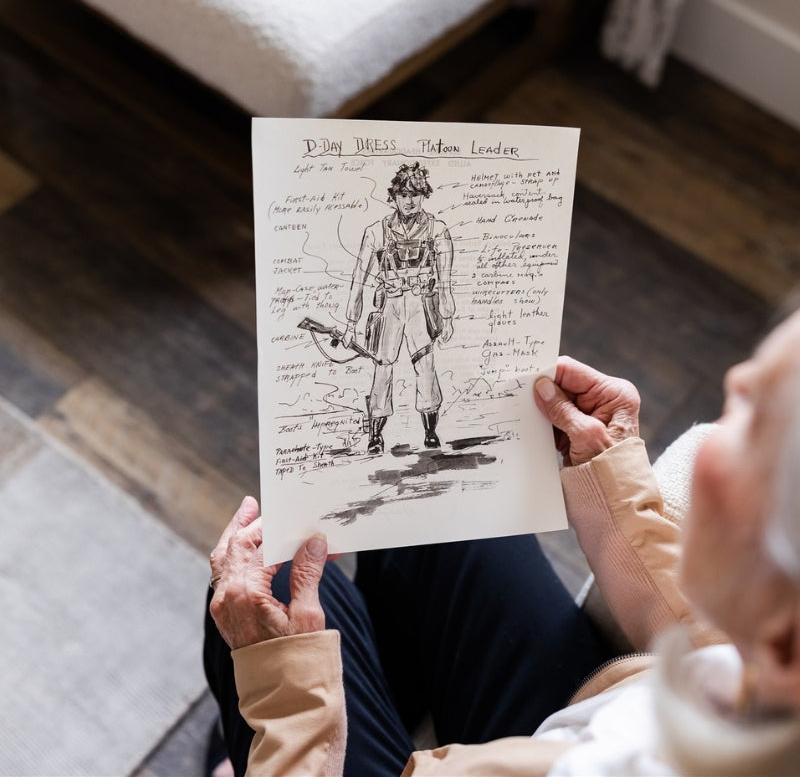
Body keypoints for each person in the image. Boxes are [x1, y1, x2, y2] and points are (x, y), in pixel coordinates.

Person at [204, 306, 800, 776]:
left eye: (757, 425)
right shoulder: (769, 679)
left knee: (273, 591)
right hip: (584, 725)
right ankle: (386, 702)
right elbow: (712, 642)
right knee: (441, 504)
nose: (736, 379)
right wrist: (610, 481)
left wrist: (291, 714)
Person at [341, 162, 455, 454]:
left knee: (426, 366)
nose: (409, 200)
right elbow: (359, 279)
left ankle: (430, 432)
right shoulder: (376, 232)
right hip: (390, 304)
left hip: (421, 305)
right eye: (403, 194)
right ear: (393, 196)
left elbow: (445, 280)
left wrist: (448, 316)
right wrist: (350, 323)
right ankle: (375, 436)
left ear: (423, 196)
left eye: (415, 194)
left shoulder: (438, 230)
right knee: (383, 367)